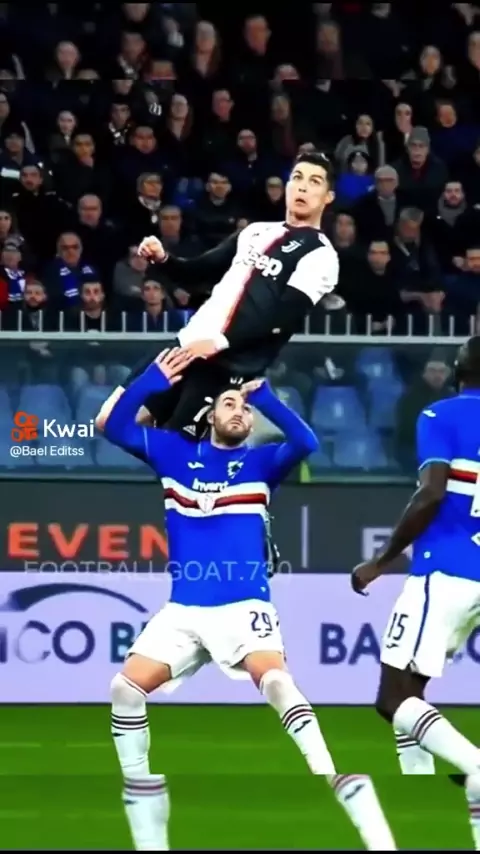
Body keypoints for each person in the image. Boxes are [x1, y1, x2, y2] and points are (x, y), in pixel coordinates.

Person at [104, 348, 397, 852]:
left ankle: (329, 773)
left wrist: (267, 399)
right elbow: (114, 428)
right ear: (209, 417)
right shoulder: (172, 453)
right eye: (229, 405)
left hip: (244, 607)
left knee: (277, 680)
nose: (239, 412)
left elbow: (305, 441)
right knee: (124, 689)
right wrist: (151, 380)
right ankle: (139, 787)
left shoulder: (262, 463)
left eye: (243, 408)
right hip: (184, 610)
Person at [94, 150, 339, 439]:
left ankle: (226, 455)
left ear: (328, 197)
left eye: (314, 182)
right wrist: (163, 259)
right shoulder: (255, 232)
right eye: (297, 178)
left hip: (227, 364)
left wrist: (220, 342)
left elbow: (280, 318)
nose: (302, 187)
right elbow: (199, 271)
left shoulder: (321, 255)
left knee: (176, 449)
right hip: (187, 344)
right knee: (108, 421)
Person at [351, 335, 480, 849]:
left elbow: (431, 493)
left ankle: (475, 765)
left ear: (459, 368)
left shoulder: (440, 415)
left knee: (392, 697)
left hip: (445, 571)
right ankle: (418, 791)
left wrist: (382, 560)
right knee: (414, 688)